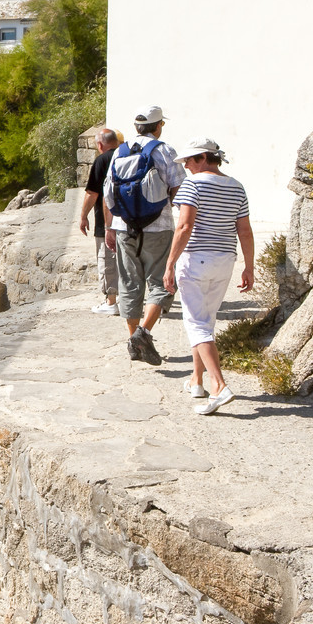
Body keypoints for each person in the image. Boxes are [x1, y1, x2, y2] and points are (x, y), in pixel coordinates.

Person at [164, 138, 253, 415]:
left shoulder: (193, 185)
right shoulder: (237, 186)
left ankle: (219, 385)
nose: (186, 166)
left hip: (196, 260)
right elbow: (245, 231)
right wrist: (249, 267)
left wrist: (169, 264)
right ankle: (196, 380)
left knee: (196, 324)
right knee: (205, 321)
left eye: (189, 160)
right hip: (225, 261)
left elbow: (184, 226)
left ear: (204, 157)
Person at [105, 106, 186, 367]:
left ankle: (134, 340)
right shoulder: (164, 151)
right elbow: (180, 190)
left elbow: (109, 193)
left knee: (129, 283)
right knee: (161, 283)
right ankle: (143, 335)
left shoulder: (120, 150)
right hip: (158, 227)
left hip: (123, 227)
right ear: (158, 125)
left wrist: (109, 227)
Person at [80, 127, 122, 316]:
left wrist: (83, 216)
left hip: (106, 220)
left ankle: (111, 302)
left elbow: (93, 193)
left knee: (107, 259)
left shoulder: (102, 160)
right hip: (130, 219)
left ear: (99, 144)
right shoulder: (127, 156)